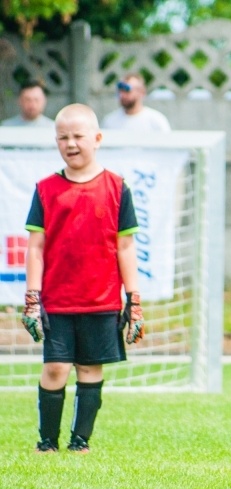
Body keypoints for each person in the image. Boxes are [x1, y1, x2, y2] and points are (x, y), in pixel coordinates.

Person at [22, 103, 145, 454]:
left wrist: (133, 299)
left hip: (101, 301)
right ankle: (47, 441)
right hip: (57, 302)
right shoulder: (46, 189)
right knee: (57, 368)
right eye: (62, 137)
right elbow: (35, 247)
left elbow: (125, 248)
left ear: (97, 138)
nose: (70, 143)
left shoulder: (117, 188)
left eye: (78, 136)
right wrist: (33, 297)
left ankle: (80, 442)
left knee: (90, 369)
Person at [101, 73, 171, 132]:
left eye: (127, 90)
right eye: (120, 91)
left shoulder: (156, 121)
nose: (122, 95)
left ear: (142, 92)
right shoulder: (109, 122)